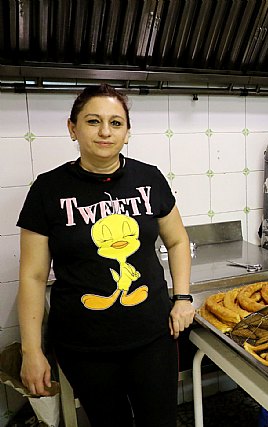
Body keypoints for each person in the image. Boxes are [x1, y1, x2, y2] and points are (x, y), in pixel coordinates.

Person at [17, 84, 194, 427]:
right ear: (73, 128)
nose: (104, 132)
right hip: (84, 346)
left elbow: (177, 240)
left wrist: (182, 297)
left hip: (152, 337)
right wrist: (31, 349)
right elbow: (33, 276)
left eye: (116, 123)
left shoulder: (149, 177)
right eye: (93, 121)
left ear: (127, 133)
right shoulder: (47, 190)